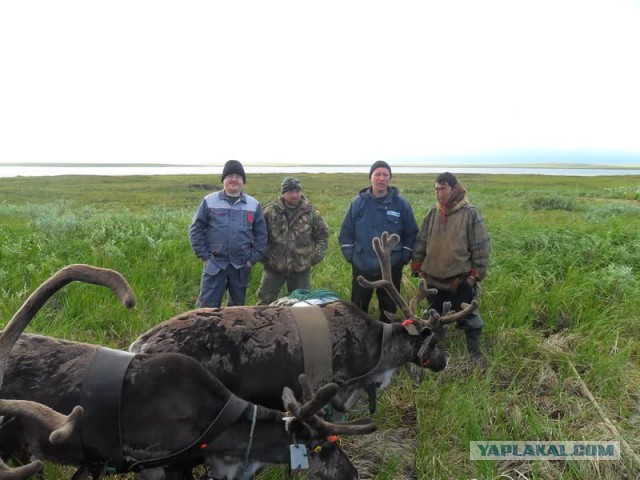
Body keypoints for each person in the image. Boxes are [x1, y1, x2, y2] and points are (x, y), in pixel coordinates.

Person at [411, 172, 491, 365]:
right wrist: (418, 267)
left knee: (469, 319)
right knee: (433, 318)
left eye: (443, 188)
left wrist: (474, 276)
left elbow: (481, 247)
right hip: (433, 281)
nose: (439, 193)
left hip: (459, 281)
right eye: (436, 189)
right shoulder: (433, 214)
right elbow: (421, 242)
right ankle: (430, 352)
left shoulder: (470, 213)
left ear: (454, 188)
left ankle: (475, 354)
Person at [338, 160, 418, 321]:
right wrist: (351, 256)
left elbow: (412, 233)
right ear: (371, 178)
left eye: (385, 175)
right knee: (358, 310)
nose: (381, 178)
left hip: (391, 267)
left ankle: (387, 341)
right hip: (362, 266)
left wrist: (403, 257)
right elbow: (346, 232)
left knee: (389, 310)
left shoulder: (401, 204)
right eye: (377, 174)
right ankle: (358, 342)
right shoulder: (358, 203)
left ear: (389, 178)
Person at [189, 160, 267, 307]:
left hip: (241, 266)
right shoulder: (209, 201)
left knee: (237, 311)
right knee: (206, 311)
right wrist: (205, 257)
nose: (234, 179)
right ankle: (208, 330)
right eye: (229, 175)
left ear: (243, 181)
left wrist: (252, 259)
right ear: (223, 179)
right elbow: (196, 229)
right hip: (214, 264)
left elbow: (262, 235)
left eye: (238, 176)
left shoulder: (253, 204)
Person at [257, 177, 329, 304]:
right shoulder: (270, 211)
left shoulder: (311, 213)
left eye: (297, 191)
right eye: (290, 191)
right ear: (283, 193)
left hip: (301, 269)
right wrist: (264, 257)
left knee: (301, 304)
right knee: (265, 302)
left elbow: (322, 236)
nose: (294, 195)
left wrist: (314, 257)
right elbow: (258, 235)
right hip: (274, 267)